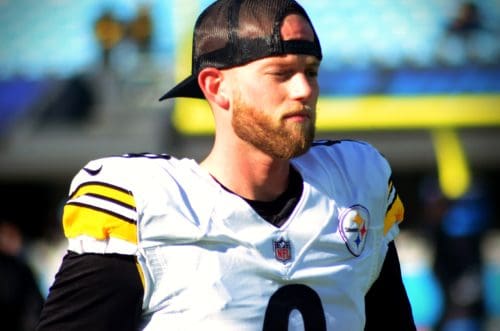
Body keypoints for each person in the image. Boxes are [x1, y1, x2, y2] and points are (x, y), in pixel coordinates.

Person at [37, 0, 416, 330]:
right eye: (281, 73)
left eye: (311, 72)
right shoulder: (149, 207)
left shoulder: (353, 188)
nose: (304, 90)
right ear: (216, 87)